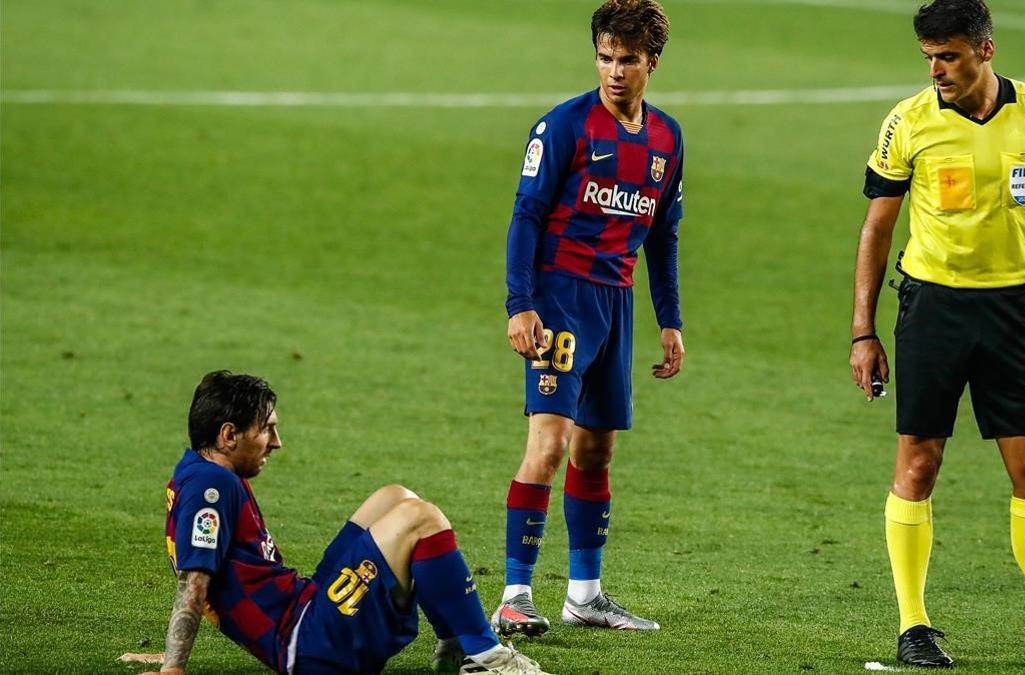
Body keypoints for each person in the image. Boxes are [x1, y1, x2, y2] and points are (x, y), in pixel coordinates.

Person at [849, 0, 1025, 670]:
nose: (937, 70)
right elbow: (877, 228)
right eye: (929, 57)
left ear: (986, 51)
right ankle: (914, 627)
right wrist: (863, 331)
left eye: (950, 56)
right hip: (931, 307)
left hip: (1010, 311)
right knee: (919, 462)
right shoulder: (907, 122)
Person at [145, 371, 551, 675]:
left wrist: (168, 654)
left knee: (395, 496)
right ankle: (487, 656)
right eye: (266, 428)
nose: (277, 441)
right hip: (309, 643)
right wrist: (172, 668)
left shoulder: (196, 472)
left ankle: (456, 643)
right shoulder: (212, 487)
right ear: (229, 434)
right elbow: (194, 580)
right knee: (420, 519)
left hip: (304, 611)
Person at [497, 0, 684, 637]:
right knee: (548, 445)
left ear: (651, 63)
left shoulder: (666, 139)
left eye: (627, 59)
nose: (614, 71)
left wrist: (671, 320)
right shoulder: (563, 128)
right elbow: (525, 216)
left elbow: (663, 236)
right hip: (559, 300)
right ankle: (515, 594)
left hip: (617, 303)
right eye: (605, 57)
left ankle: (585, 594)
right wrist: (520, 304)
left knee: (597, 451)